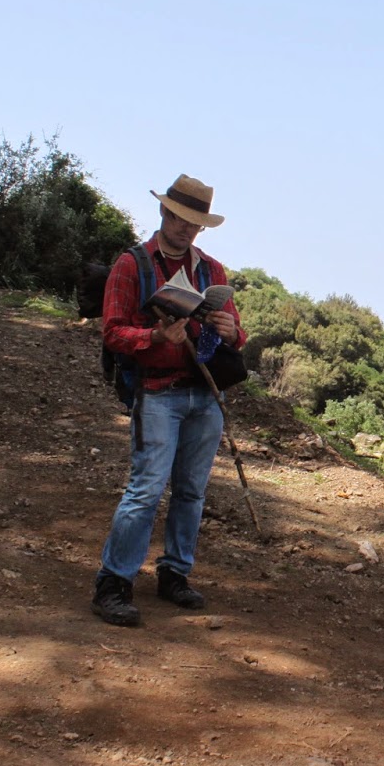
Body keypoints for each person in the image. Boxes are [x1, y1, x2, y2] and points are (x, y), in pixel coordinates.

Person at [91, 174, 246, 627]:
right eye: (180, 219)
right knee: (145, 489)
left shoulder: (212, 271)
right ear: (164, 212)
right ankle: (113, 583)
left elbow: (238, 333)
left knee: (192, 491)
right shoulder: (132, 264)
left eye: (195, 224)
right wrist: (155, 337)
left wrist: (231, 331)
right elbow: (112, 331)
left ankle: (175, 573)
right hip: (157, 391)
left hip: (205, 394)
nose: (186, 229)